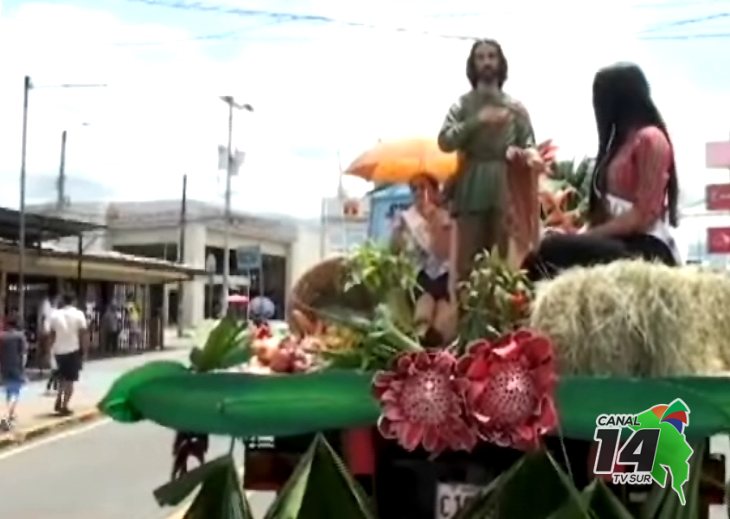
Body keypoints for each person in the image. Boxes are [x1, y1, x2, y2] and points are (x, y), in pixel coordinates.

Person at [523, 63, 681, 280]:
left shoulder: (651, 139)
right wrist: (576, 235)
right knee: (540, 251)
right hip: (619, 243)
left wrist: (587, 236)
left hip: (647, 249)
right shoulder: (615, 148)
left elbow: (641, 217)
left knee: (550, 251)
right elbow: (604, 217)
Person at [438, 38, 545, 286]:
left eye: (491, 56)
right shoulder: (463, 105)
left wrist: (531, 155)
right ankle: (467, 321)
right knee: (468, 267)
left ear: (500, 63)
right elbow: (444, 141)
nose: (486, 62)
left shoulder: (515, 108)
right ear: (473, 65)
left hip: (505, 191)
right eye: (481, 57)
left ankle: (500, 321)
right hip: (471, 187)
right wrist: (478, 120)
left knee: (502, 265)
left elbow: (528, 142)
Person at [391, 174, 456, 345]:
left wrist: (434, 224)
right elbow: (395, 252)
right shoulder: (405, 219)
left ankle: (438, 346)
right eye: (414, 188)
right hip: (418, 277)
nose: (419, 192)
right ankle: (420, 341)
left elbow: (442, 252)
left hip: (445, 277)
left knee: (443, 312)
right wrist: (398, 234)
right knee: (424, 306)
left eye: (423, 187)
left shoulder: (445, 217)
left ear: (435, 191)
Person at [47, 293, 88, 416]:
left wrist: (48, 351)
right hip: (73, 350)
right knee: (70, 380)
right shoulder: (79, 314)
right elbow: (83, 334)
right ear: (74, 301)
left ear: (63, 302)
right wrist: (84, 351)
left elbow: (51, 335)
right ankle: (64, 406)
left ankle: (59, 397)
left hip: (58, 351)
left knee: (61, 377)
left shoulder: (55, 315)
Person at [0, 313, 27, 430]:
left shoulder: (2, 336)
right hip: (16, 366)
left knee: (9, 391)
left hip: (4, 366)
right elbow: (24, 354)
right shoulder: (20, 336)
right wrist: (23, 367)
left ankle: (11, 414)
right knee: (15, 392)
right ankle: (6, 416)